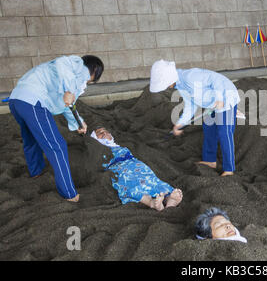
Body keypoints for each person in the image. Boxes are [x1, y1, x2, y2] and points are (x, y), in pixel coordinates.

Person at [8, 55, 104, 202]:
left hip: (16, 100)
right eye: (91, 77)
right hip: (33, 101)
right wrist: (68, 90)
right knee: (57, 146)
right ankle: (69, 193)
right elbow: (62, 63)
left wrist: (79, 123)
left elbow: (66, 106)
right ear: (94, 69)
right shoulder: (76, 65)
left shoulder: (71, 80)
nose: (87, 82)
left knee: (31, 139)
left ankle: (36, 171)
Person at [149, 60, 240, 177]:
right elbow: (190, 106)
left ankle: (229, 169)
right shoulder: (180, 85)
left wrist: (219, 98)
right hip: (211, 104)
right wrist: (180, 124)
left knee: (224, 133)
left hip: (225, 98)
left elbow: (215, 79)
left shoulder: (190, 76)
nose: (166, 87)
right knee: (208, 129)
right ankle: (210, 160)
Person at [91, 127, 183, 211]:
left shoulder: (119, 146)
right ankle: (152, 203)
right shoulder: (98, 150)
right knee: (131, 185)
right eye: (99, 132)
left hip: (137, 166)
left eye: (105, 131)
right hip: (120, 170)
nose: (103, 132)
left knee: (152, 180)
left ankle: (170, 201)